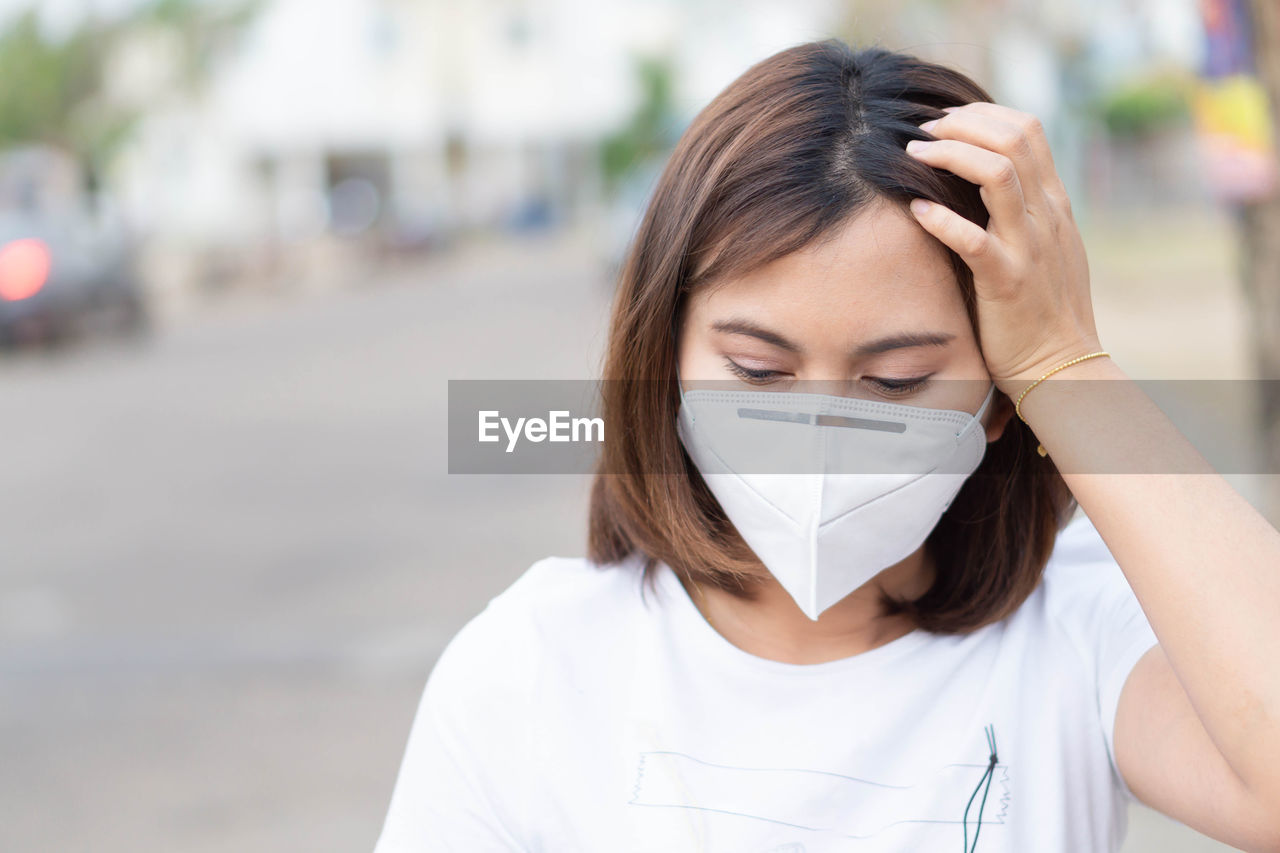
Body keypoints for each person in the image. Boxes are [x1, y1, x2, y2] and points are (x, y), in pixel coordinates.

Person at [373, 39, 1280, 852]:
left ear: (1003, 403)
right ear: (667, 362)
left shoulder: (1081, 633)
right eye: (759, 370)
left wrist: (1065, 363)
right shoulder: (534, 664)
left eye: (894, 383)